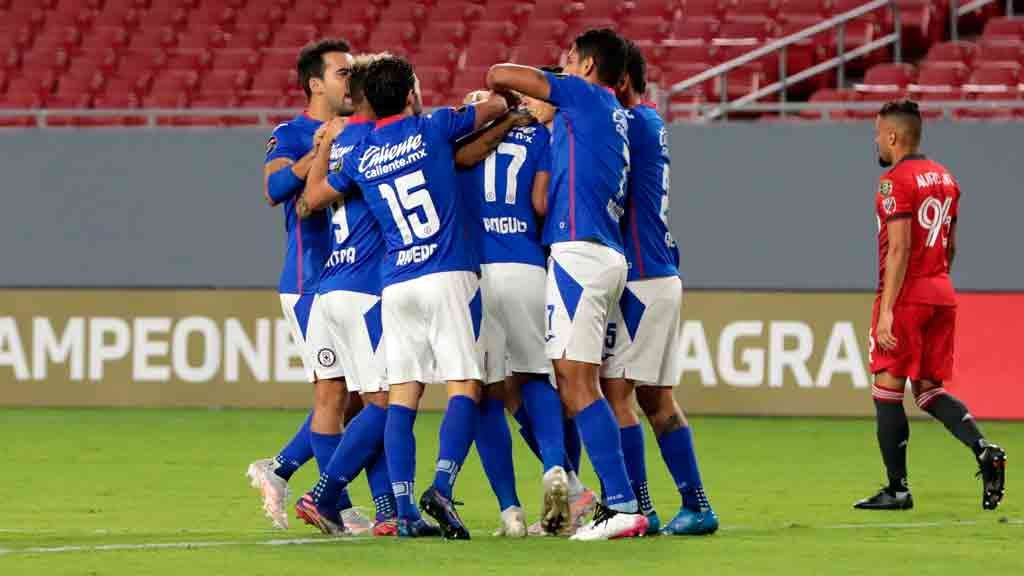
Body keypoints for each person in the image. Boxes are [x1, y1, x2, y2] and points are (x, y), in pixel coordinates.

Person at [298, 56, 510, 539]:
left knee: (402, 396)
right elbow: (493, 107)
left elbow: (311, 197)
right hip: (446, 274)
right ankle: (441, 483)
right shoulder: (433, 127)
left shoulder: (361, 152)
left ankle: (400, 508)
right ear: (411, 93)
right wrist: (508, 107)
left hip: (396, 283)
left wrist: (328, 145)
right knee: (464, 385)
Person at [487, 29, 649, 540]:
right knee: (578, 381)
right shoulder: (609, 114)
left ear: (583, 65)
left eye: (567, 59)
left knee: (576, 383)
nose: (561, 64)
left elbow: (498, 74)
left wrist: (537, 90)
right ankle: (616, 503)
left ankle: (620, 507)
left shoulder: (581, 94)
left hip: (581, 253)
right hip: (603, 252)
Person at [855, 99, 1006, 511]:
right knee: (927, 390)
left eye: (877, 133)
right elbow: (951, 245)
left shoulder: (893, 182)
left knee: (887, 390)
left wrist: (887, 308)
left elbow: (900, 247)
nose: (876, 141)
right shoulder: (946, 178)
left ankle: (897, 489)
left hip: (906, 297)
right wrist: (936, 282)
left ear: (892, 135)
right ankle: (983, 449)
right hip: (941, 292)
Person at [602, 41, 718, 536]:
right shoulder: (648, 122)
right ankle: (695, 506)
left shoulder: (628, 124)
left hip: (642, 276)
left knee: (614, 393)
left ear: (621, 82)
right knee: (656, 399)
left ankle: (640, 508)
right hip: (654, 271)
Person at [246, 38, 363, 531]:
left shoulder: (362, 128)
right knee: (334, 393)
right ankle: (335, 502)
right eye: (342, 73)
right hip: (309, 277)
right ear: (316, 84)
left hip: (353, 274)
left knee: (359, 395)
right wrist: (317, 150)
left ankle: (282, 468)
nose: (351, 81)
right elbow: (274, 190)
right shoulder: (291, 132)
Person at [293, 53, 404, 537]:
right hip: (365, 287)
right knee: (382, 402)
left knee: (354, 402)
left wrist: (322, 147)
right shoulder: (377, 141)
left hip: (331, 288)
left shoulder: (339, 143)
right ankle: (324, 494)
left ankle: (385, 511)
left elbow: (304, 204)